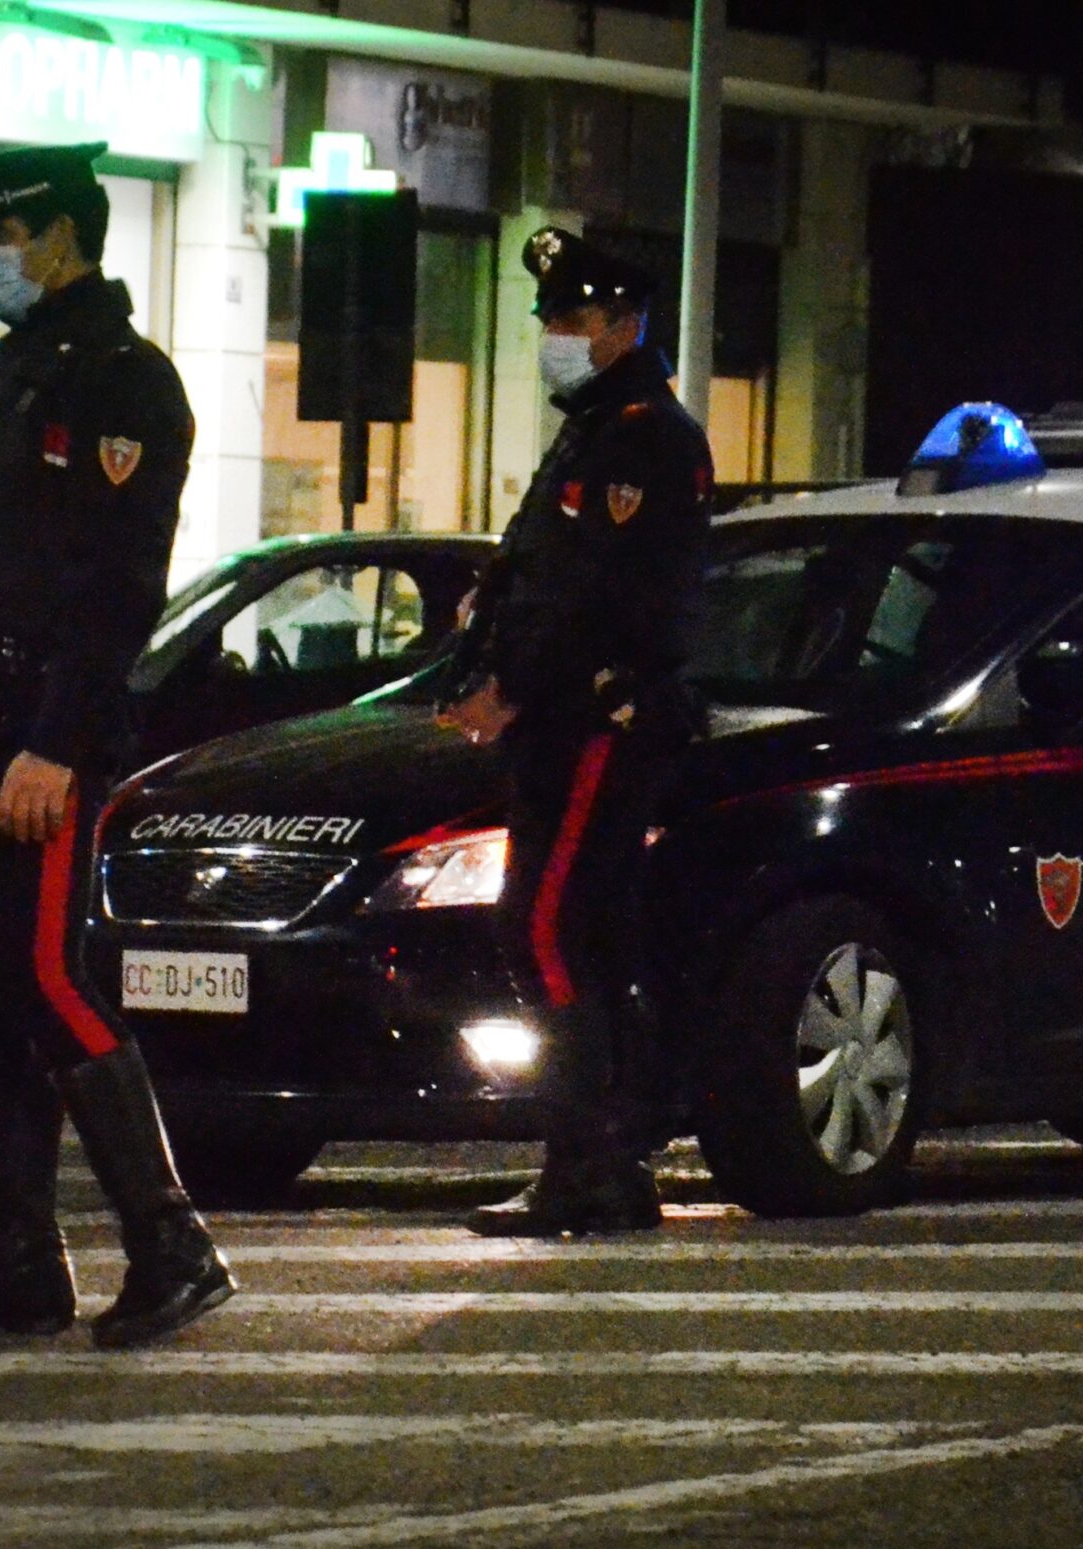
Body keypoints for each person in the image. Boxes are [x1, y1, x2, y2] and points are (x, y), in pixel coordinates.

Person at [0, 139, 234, 1349]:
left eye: (4, 235)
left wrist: (58, 745)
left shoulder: (121, 382)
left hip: (43, 732)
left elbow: (116, 587)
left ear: (65, 239)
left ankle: (172, 1239)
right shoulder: (25, 369)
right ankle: (20, 1256)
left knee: (47, 977)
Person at [437, 228, 713, 1237]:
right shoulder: (593, 427)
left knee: (546, 928)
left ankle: (589, 1156)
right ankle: (600, 1159)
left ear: (620, 325)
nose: (552, 335)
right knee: (572, 934)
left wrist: (513, 685)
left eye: (570, 318)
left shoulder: (644, 434)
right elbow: (535, 574)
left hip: (597, 721)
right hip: (559, 718)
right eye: (549, 317)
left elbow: (607, 600)